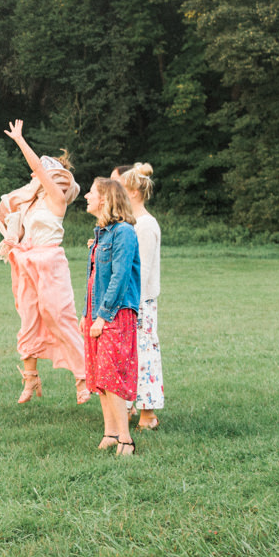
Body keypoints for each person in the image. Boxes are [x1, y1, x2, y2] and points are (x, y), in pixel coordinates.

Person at [0, 120, 89, 405]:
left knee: (58, 316)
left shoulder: (58, 199)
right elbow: (17, 232)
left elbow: (39, 170)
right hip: (26, 261)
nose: (36, 177)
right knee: (29, 317)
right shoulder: (31, 205)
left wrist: (19, 140)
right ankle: (31, 379)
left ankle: (82, 378)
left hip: (49, 261)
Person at [82, 177, 141, 456]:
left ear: (105, 199)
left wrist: (103, 317)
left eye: (91, 192)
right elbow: (95, 278)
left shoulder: (124, 232)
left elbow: (119, 278)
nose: (86, 196)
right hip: (95, 315)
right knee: (100, 378)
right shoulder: (102, 233)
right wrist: (88, 315)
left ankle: (126, 440)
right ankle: (110, 432)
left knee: (112, 377)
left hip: (114, 315)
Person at [116, 163, 163, 430]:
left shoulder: (145, 225)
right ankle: (128, 406)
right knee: (128, 355)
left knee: (144, 356)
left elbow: (142, 270)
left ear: (133, 192)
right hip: (130, 301)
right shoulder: (131, 224)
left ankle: (148, 414)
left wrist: (132, 303)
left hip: (140, 302)